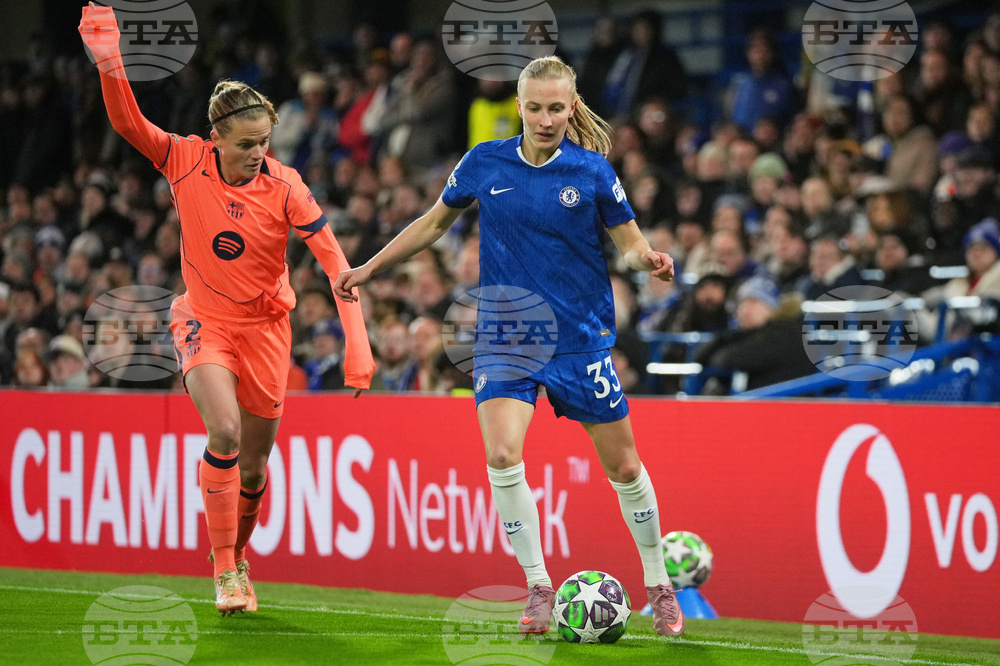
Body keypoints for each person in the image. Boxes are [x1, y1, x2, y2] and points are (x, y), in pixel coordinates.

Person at [336, 55, 684, 637]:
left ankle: (658, 582)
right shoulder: (484, 162)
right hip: (506, 334)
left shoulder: (593, 171)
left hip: (580, 339)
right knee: (501, 457)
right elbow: (431, 224)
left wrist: (647, 258)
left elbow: (628, 243)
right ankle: (539, 585)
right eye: (535, 107)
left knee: (624, 466)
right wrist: (370, 267)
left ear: (571, 108)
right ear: (518, 107)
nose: (546, 119)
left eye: (556, 108)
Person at [79, 3, 375, 615]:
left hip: (267, 329)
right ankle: (223, 571)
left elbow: (337, 268)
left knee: (257, 468)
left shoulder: (287, 184)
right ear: (215, 138)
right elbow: (127, 121)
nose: (256, 154)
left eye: (264, 142)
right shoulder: (184, 159)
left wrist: (357, 343)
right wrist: (110, 57)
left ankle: (238, 556)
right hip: (203, 320)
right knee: (224, 433)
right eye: (245, 144)